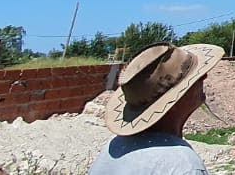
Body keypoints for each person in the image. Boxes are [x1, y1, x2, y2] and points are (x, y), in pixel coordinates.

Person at [90, 43, 223, 175]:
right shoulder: (183, 166)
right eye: (196, 77)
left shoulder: (112, 149)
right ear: (173, 101)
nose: (204, 77)